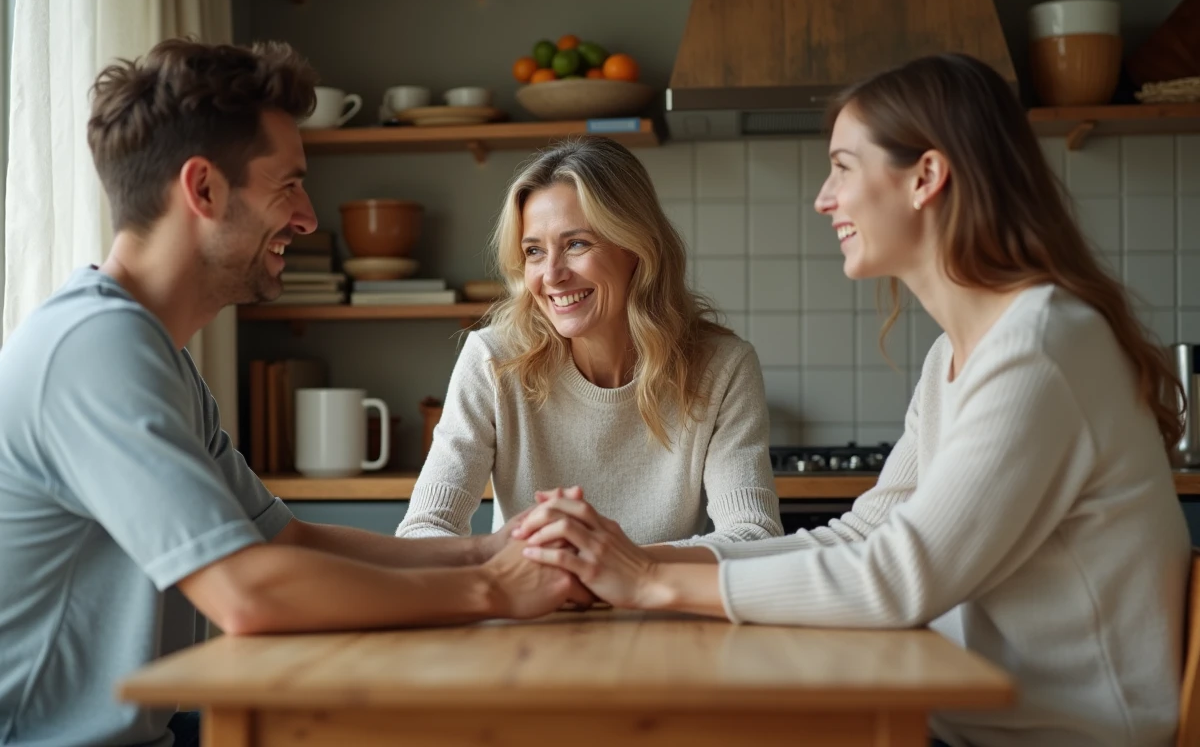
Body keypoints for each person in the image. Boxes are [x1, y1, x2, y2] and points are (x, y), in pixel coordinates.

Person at [513, 53, 1192, 747]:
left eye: (843, 165)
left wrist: (649, 583)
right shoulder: (960, 353)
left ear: (926, 176)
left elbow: (899, 579)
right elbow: (864, 535)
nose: (823, 198)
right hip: (971, 727)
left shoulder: (1043, 345)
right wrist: (636, 560)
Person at [0, 38, 588, 747]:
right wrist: (495, 591)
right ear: (204, 189)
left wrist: (496, 551)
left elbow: (287, 539)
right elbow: (249, 593)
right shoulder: (94, 350)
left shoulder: (155, 353)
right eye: (288, 186)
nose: (309, 219)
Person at [395, 137, 783, 546]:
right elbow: (424, 530)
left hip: (661, 606)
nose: (551, 275)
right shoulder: (494, 360)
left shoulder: (722, 367)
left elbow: (754, 534)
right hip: (532, 605)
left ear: (636, 248)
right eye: (534, 251)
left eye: (576, 244)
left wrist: (618, 564)